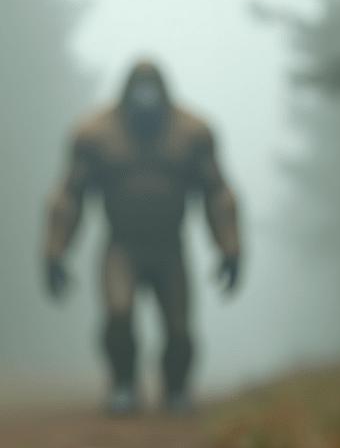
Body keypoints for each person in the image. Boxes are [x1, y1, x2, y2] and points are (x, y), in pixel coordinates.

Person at [43, 60, 241, 416]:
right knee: (118, 314)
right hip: (122, 247)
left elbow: (218, 196)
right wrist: (54, 251)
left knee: (178, 328)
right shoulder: (97, 136)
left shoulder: (191, 135)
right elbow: (69, 197)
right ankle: (123, 382)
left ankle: (176, 387)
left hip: (170, 248)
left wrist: (230, 247)